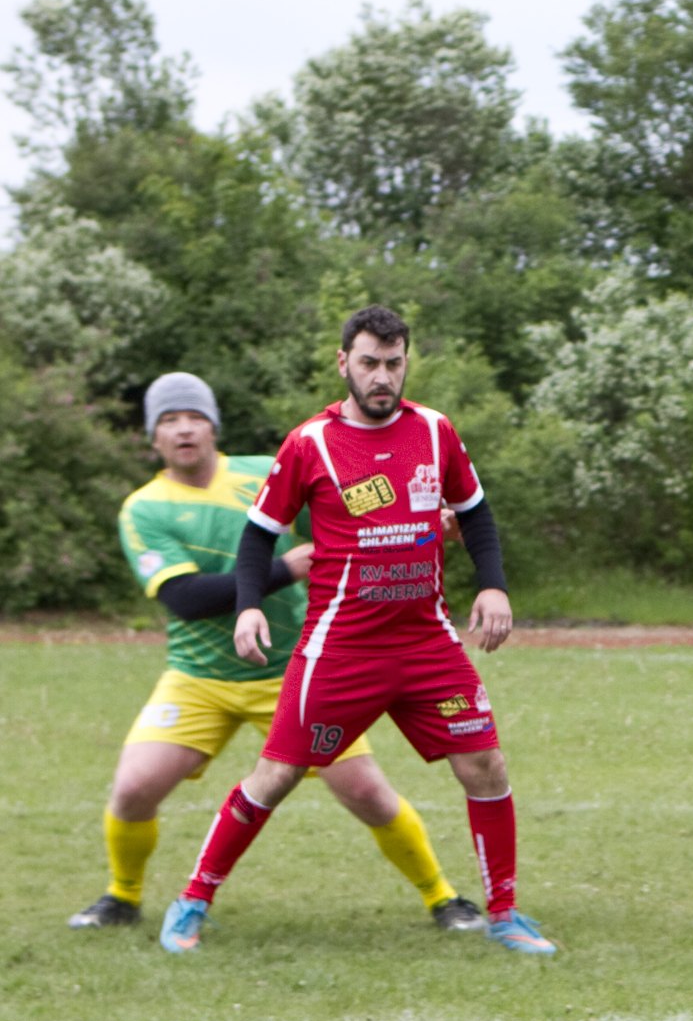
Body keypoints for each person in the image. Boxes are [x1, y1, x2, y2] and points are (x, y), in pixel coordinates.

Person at [156, 307, 556, 957]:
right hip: (341, 650)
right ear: (343, 363)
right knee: (276, 777)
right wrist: (250, 604)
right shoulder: (308, 444)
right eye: (369, 362)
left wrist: (493, 584)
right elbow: (258, 535)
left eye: (393, 363)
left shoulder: (435, 432)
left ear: (406, 363)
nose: (382, 377)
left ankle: (506, 913)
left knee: (484, 763)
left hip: (427, 643)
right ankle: (193, 897)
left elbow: (477, 516)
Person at [66, 372, 474, 934]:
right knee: (134, 788)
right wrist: (286, 568)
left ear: (213, 426)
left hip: (297, 669)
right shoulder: (145, 508)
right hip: (200, 676)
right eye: (169, 421)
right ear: (152, 438)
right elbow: (184, 598)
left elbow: (362, 512)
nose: (184, 430)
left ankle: (445, 898)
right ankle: (122, 896)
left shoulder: (265, 470)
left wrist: (428, 524)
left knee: (369, 794)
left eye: (194, 418)